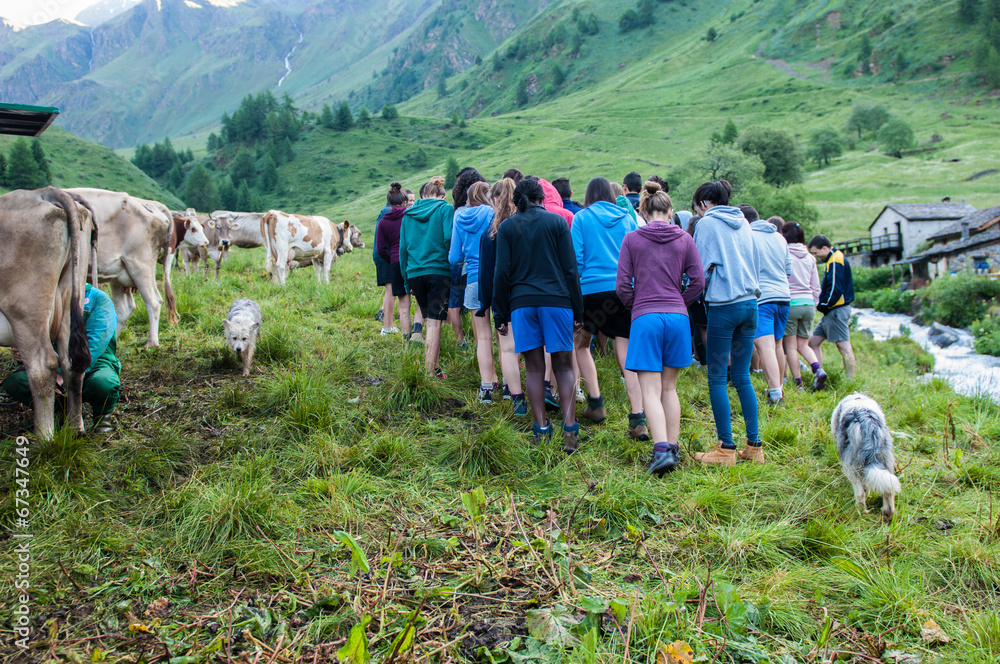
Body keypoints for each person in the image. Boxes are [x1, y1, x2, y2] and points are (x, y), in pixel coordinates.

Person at [617, 181, 704, 474]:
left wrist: (637, 304)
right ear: (669, 211)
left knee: (650, 391)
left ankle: (661, 450)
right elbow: (698, 281)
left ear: (643, 210)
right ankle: (673, 449)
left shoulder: (631, 239)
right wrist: (680, 301)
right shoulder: (684, 239)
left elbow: (622, 286)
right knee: (670, 387)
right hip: (678, 318)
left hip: (646, 317)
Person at [494, 177, 583, 452]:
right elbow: (570, 269)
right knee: (564, 367)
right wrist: (578, 310)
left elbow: (501, 273)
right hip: (557, 301)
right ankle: (570, 431)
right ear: (542, 198)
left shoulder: (507, 227)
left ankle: (541, 429)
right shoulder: (557, 223)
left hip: (521, 304)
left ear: (515, 201)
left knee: (533, 368)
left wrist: (500, 312)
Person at [692, 180, 763, 466]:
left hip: (725, 306)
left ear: (704, 203)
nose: (697, 213)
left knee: (717, 377)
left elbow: (699, 268)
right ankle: (754, 446)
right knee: (743, 376)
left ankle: (726, 448)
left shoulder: (707, 224)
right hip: (750, 304)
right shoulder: (743, 222)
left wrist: (695, 294)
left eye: (696, 207)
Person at [571, 177, 647, 440]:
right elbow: (633, 257)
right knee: (625, 347)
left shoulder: (582, 218)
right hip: (622, 289)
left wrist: (575, 293)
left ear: (590, 194)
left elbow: (577, 259)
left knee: (580, 344)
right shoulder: (627, 218)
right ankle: (638, 417)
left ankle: (595, 402)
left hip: (590, 290)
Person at [3, 283, 121, 433]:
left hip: (94, 362)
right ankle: (59, 411)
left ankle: (102, 418)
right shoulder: (46, 298)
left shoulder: (98, 299)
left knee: (103, 382)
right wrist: (24, 354)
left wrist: (60, 369)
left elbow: (95, 346)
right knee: (16, 382)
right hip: (50, 360)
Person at [478, 178, 526, 414]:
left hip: (505, 297)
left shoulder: (491, 234)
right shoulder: (528, 226)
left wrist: (485, 303)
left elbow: (487, 274)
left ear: (495, 200)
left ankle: (514, 395)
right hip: (532, 294)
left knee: (508, 348)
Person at [400, 176, 455, 377]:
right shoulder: (445, 209)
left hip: (415, 273)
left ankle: (436, 366)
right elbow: (449, 237)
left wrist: (407, 280)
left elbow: (403, 249)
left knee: (430, 319)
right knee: (434, 322)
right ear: (441, 195)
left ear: (424, 194)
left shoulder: (408, 214)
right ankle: (428, 373)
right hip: (439, 272)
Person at [450, 181, 499, 403]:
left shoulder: (459, 217)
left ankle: (486, 386)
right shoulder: (490, 212)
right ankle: (508, 384)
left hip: (472, 280)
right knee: (504, 335)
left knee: (482, 336)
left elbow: (453, 258)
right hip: (494, 279)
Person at [745, 204, 791, 407]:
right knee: (778, 345)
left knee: (765, 347)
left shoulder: (748, 237)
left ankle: (775, 395)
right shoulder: (779, 237)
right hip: (784, 297)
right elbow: (788, 270)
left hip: (763, 298)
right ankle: (779, 387)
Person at [781, 221, 824, 391]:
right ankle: (817, 369)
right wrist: (813, 301)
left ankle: (798, 383)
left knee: (790, 346)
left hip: (791, 303)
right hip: (808, 304)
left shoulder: (785, 256)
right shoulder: (810, 258)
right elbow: (816, 286)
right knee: (803, 344)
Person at [808, 234, 856, 383]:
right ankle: (818, 375)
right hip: (831, 311)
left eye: (816, 253)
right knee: (813, 342)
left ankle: (850, 381)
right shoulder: (832, 259)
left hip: (836, 310)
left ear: (825, 248)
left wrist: (823, 305)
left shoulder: (836, 260)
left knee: (843, 347)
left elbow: (836, 288)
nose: (815, 256)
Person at [375, 182, 413, 338]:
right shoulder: (409, 216)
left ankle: (405, 334)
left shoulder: (384, 220)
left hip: (395, 261)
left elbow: (380, 248)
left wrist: (391, 259)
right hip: (410, 261)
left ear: (389, 202)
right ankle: (418, 330)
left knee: (402, 300)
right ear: (404, 202)